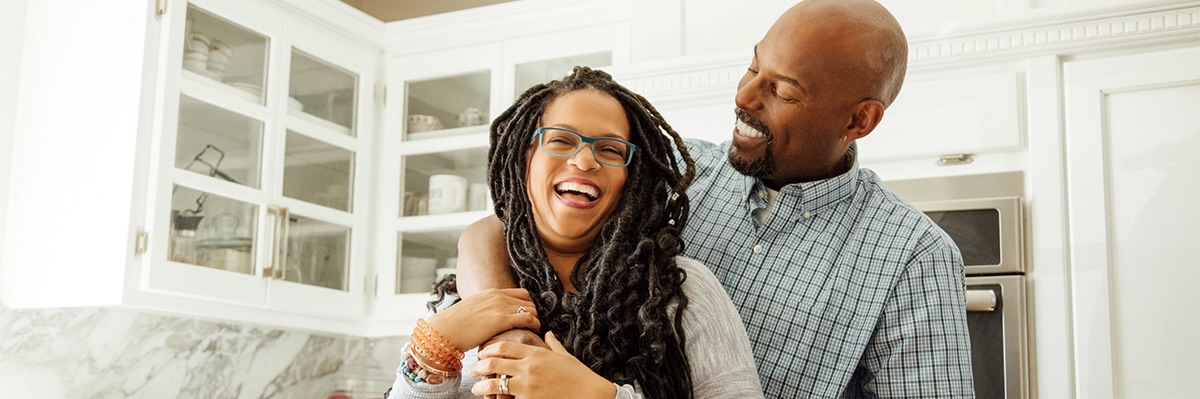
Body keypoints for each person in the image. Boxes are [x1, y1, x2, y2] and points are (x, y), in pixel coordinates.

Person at [454, 0, 976, 397]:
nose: (745, 98)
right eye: (753, 69)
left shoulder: (912, 255)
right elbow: (503, 229)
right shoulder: (677, 173)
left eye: (784, 91)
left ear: (858, 120)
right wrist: (511, 335)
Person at [386, 66, 764, 399]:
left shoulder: (683, 291)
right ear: (524, 158)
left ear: (629, 179)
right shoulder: (463, 295)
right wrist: (430, 355)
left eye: (611, 149)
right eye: (561, 140)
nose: (584, 160)